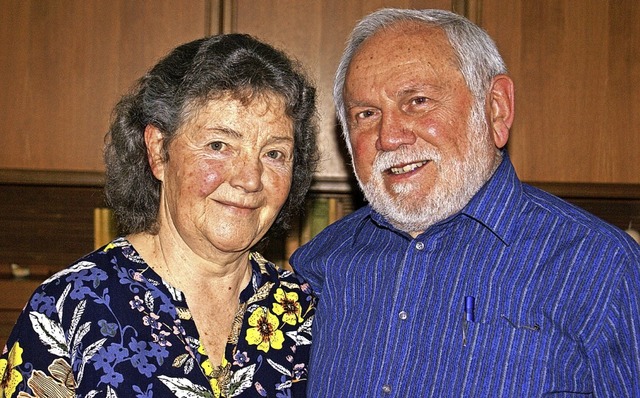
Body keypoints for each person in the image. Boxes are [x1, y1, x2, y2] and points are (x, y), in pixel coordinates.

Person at [290, 8, 640, 397]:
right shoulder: (319, 263)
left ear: (496, 108)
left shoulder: (601, 266)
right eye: (366, 113)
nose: (389, 137)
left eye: (418, 101)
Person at [0, 34, 319, 397]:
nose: (249, 178)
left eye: (274, 154)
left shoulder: (308, 313)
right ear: (158, 151)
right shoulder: (67, 308)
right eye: (219, 145)